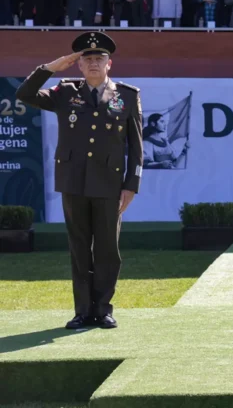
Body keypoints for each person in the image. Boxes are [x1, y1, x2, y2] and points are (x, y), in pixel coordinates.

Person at [16, 32, 144, 330]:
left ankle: (103, 310)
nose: (94, 64)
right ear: (79, 66)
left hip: (110, 184)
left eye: (99, 59)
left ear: (109, 64)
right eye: (87, 59)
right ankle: (83, 311)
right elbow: (24, 94)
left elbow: (137, 148)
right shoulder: (64, 92)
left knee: (107, 250)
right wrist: (50, 68)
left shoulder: (127, 96)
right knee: (79, 247)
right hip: (73, 182)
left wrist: (131, 185)